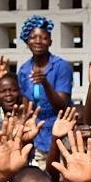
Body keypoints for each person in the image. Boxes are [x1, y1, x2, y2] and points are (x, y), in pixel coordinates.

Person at [17, 15, 72, 167]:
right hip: (35, 133)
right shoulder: (23, 70)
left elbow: (61, 104)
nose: (38, 41)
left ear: (50, 42)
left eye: (43, 37)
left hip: (60, 130)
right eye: (33, 37)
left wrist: (45, 83)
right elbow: (25, 102)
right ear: (27, 42)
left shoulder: (61, 67)